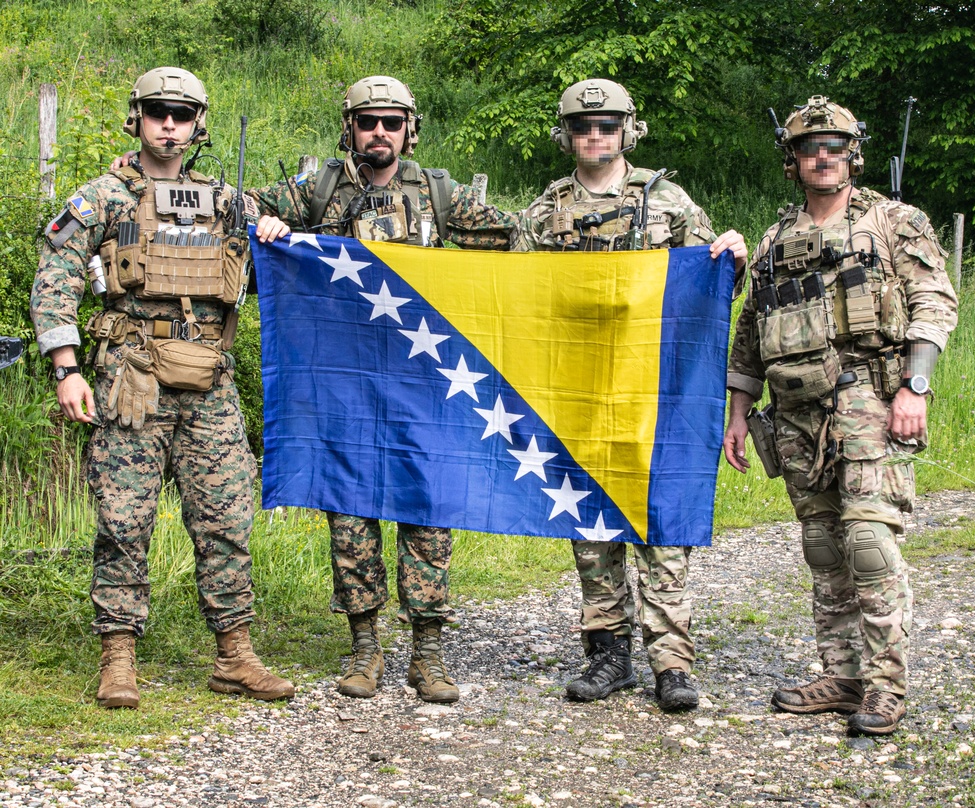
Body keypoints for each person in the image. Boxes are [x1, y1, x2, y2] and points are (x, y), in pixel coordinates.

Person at [31, 66, 294, 709]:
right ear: (138, 118)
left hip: (209, 384)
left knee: (228, 520)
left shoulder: (230, 201)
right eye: (157, 112)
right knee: (124, 522)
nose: (169, 126)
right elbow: (56, 275)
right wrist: (66, 369)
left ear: (199, 123)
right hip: (132, 379)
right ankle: (118, 657)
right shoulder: (104, 198)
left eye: (181, 114)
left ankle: (235, 654)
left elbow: (275, 264)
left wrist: (275, 234)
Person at [253, 75, 518, 703]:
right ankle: (365, 649)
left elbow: (518, 240)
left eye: (391, 123)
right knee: (350, 511)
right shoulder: (314, 190)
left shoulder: (438, 193)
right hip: (343, 383)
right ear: (349, 127)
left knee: (428, 508)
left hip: (424, 385)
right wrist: (263, 223)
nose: (380, 133)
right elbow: (230, 206)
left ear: (410, 129)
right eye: (368, 121)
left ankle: (428, 653)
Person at [723, 96, 957, 736]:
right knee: (823, 546)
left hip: (869, 402)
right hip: (792, 412)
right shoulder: (776, 238)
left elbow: (933, 302)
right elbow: (751, 329)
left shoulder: (894, 221)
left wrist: (915, 387)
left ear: (852, 154)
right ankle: (842, 672)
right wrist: (739, 412)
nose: (820, 157)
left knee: (869, 543)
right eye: (807, 148)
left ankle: (885, 688)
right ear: (792, 160)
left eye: (833, 146)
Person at [514, 78, 747, 712]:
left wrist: (732, 256)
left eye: (609, 126)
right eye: (585, 128)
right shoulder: (542, 213)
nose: (596, 137)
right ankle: (607, 653)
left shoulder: (667, 201)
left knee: (661, 522)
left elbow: (714, 287)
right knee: (591, 522)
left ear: (628, 129)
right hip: (580, 388)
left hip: (658, 389)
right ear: (566, 135)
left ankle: (671, 661)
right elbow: (516, 299)